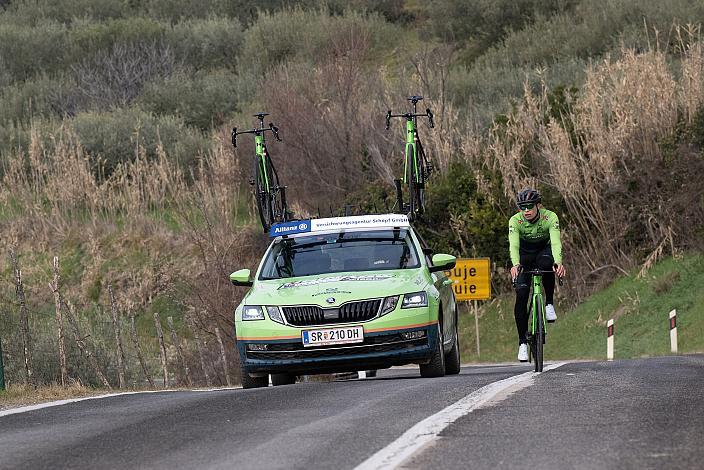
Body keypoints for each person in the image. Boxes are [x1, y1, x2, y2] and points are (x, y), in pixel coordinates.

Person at [508, 188, 566, 362]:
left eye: (530, 206)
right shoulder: (515, 221)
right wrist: (515, 265)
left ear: (538, 206)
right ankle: (522, 343)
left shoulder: (550, 217)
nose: (526, 211)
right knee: (522, 294)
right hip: (524, 255)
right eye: (522, 207)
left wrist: (559, 262)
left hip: (543, 251)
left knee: (547, 265)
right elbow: (513, 245)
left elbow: (556, 242)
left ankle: (548, 303)